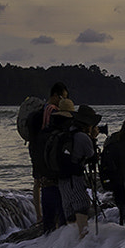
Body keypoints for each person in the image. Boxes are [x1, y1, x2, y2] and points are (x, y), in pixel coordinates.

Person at [26, 82, 72, 220]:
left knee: (37, 182)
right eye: (62, 97)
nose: (63, 100)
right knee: (44, 181)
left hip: (35, 148)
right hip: (44, 149)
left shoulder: (41, 110)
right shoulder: (52, 111)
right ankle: (42, 215)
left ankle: (39, 215)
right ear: (55, 95)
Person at [56, 106, 100, 239]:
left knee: (71, 222)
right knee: (81, 216)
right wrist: (93, 138)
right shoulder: (82, 137)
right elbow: (92, 156)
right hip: (74, 180)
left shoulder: (66, 132)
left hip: (62, 181)